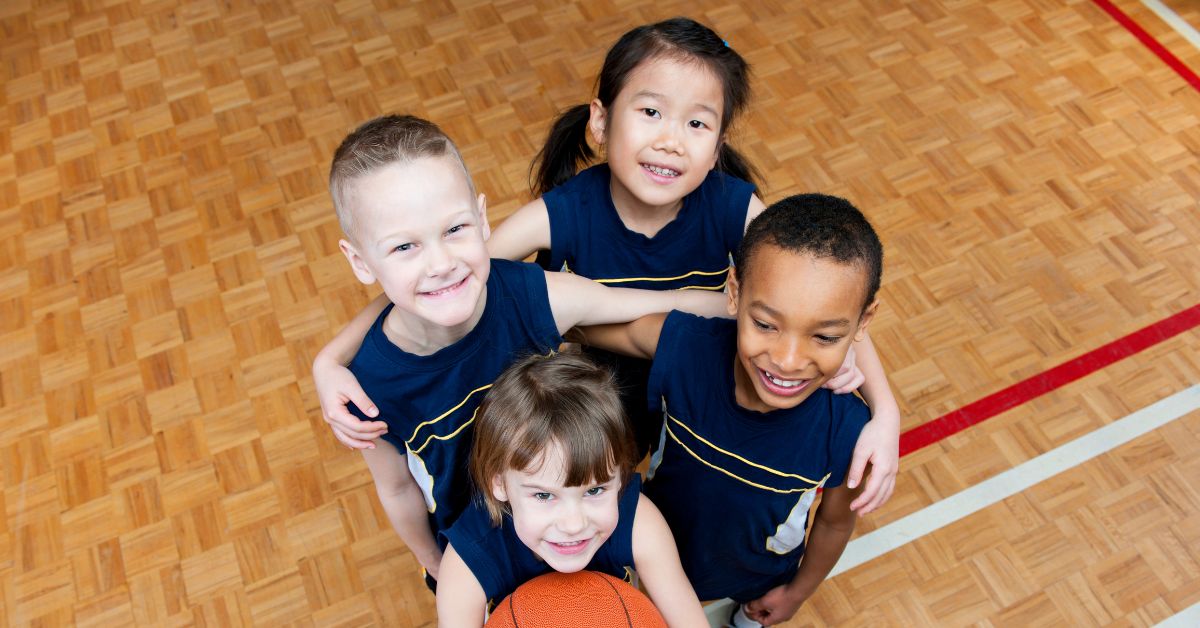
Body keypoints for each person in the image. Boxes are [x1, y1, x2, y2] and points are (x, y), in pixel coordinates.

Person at [314, 17, 898, 515]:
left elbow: (824, 292)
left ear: (718, 144)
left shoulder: (734, 207)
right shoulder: (560, 213)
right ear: (600, 121)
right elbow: (446, 273)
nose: (671, 140)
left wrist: (884, 409)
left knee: (694, 507)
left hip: (702, 386)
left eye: (697, 123)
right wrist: (331, 358)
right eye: (651, 111)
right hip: (603, 401)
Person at [323, 114, 729, 590]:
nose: (441, 263)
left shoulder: (533, 297)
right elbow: (396, 488)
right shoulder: (366, 386)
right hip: (480, 558)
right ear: (359, 261)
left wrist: (762, 315)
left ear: (481, 218)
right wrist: (435, 562)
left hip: (573, 525)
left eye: (455, 229)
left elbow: (662, 303)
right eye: (405, 247)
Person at [576, 194, 884, 626]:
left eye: (824, 337)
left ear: (863, 323)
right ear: (735, 293)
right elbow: (585, 326)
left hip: (763, 576)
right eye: (766, 325)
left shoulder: (851, 432)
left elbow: (834, 524)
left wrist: (797, 592)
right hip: (662, 554)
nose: (788, 360)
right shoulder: (685, 346)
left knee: (757, 610)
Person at [436, 353, 706, 627]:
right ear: (499, 484)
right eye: (544, 495)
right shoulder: (467, 561)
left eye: (595, 491)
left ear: (620, 475)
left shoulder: (641, 523)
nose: (574, 525)